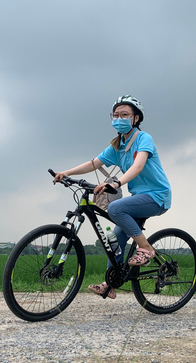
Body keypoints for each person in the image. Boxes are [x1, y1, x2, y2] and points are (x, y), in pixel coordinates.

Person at [52, 95, 171, 299]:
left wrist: (115, 183)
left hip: (157, 196)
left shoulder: (144, 139)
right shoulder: (117, 146)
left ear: (135, 118)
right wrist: (67, 173)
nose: (119, 118)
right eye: (115, 115)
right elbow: (93, 164)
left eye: (124, 114)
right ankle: (110, 284)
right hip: (137, 199)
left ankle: (146, 248)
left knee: (116, 209)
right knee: (114, 240)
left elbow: (138, 166)